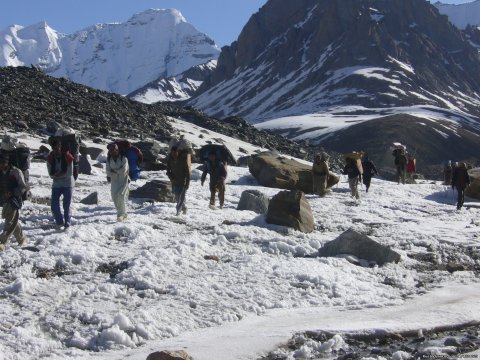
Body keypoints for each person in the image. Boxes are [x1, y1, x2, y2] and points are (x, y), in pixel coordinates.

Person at [0, 154, 28, 250]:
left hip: (15, 199)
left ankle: (2, 242)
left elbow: (23, 186)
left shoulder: (16, 172)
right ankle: (21, 238)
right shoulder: (1, 172)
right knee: (12, 219)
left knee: (9, 221)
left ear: (7, 162)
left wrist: (12, 193)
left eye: (3, 163)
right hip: (5, 199)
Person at [47, 138, 75, 229]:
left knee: (66, 204)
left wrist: (57, 176)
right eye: (54, 148)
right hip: (56, 184)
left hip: (68, 183)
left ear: (60, 147)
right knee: (54, 204)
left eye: (57, 147)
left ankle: (67, 222)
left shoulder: (68, 156)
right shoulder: (50, 157)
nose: (56, 149)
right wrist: (55, 176)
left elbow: (70, 173)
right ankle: (59, 222)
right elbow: (50, 173)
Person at [106, 144, 130, 221]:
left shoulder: (124, 159)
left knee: (121, 196)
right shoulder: (109, 160)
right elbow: (108, 172)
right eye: (111, 151)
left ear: (117, 150)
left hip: (124, 180)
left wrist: (114, 171)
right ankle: (123, 214)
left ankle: (121, 215)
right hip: (114, 181)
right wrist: (117, 171)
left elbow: (124, 170)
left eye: (114, 151)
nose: (113, 152)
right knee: (114, 197)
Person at [166, 146, 191, 216]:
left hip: (183, 182)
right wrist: (172, 178)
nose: (174, 154)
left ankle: (178, 211)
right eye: (172, 152)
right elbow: (168, 172)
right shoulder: (170, 160)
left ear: (178, 152)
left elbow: (188, 173)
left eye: (175, 152)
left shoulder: (183, 160)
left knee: (181, 197)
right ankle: (184, 207)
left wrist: (187, 183)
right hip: (175, 182)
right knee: (177, 197)